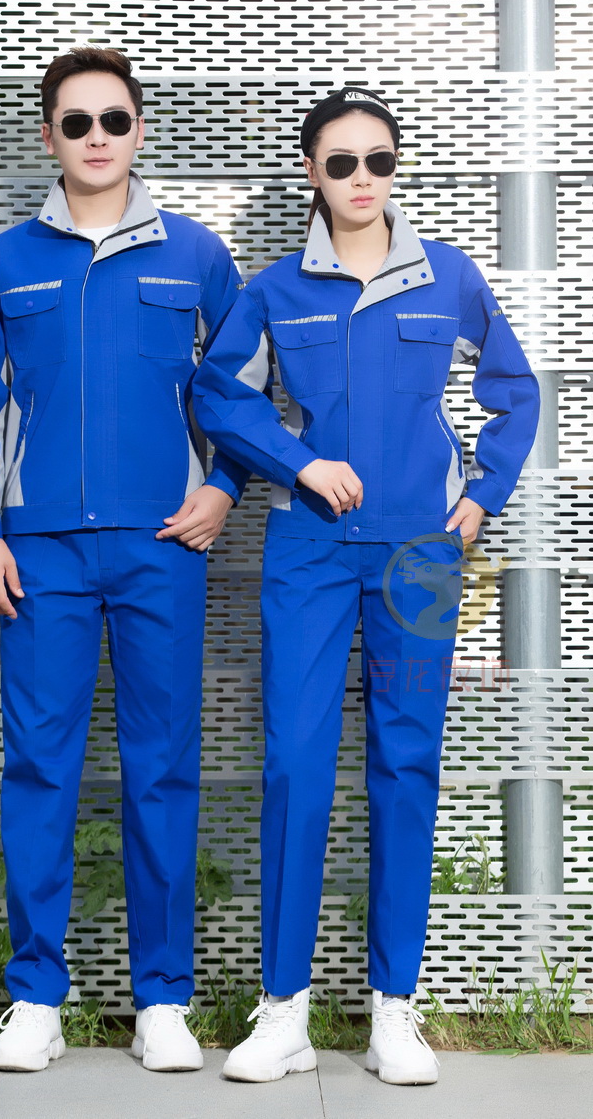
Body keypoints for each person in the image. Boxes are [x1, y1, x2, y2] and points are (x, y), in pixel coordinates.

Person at [192, 86, 540, 1085]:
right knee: (296, 765)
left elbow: (515, 393)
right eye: (340, 162)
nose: (360, 178)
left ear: (395, 168)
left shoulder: (451, 278)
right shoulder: (275, 289)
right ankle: (284, 1012)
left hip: (422, 557)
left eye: (377, 160)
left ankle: (395, 1010)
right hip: (308, 549)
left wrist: (479, 500)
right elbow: (218, 392)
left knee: (407, 762)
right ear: (312, 172)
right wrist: (299, 462)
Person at [0, 46, 248, 1074]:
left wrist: (225, 488)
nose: (96, 138)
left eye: (113, 119)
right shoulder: (7, 261)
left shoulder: (197, 255)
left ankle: (163, 999)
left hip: (164, 547)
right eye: (75, 122)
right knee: (40, 767)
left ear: (139, 129)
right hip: (39, 555)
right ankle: (37, 997)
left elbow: (241, 390)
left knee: (162, 768)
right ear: (49, 136)